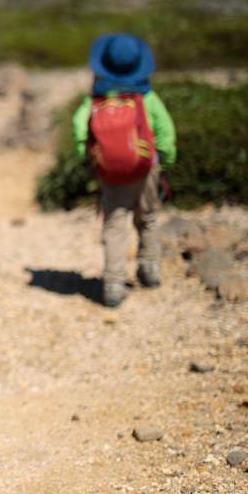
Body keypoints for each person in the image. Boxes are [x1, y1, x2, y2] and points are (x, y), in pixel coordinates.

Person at [72, 33, 177, 308]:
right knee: (148, 219)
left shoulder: (95, 100)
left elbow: (78, 128)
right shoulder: (147, 97)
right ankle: (150, 270)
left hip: (110, 173)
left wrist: (90, 162)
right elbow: (166, 134)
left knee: (115, 225)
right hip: (146, 169)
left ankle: (113, 284)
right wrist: (165, 162)